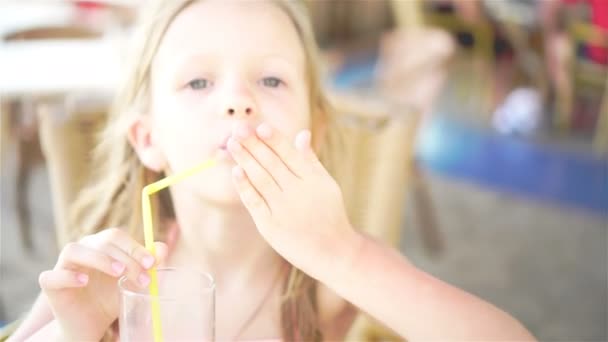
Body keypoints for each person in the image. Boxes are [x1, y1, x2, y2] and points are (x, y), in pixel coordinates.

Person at [10, 0, 535, 341]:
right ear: (149, 140)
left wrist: (344, 254)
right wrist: (72, 333)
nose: (238, 102)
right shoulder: (106, 281)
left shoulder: (332, 278)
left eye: (272, 81)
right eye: (198, 83)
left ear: (317, 133)